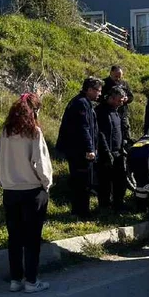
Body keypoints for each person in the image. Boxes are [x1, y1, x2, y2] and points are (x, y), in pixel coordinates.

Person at [0, 92, 52, 294]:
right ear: (34, 111)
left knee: (14, 237)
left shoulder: (5, 132)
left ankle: (15, 280)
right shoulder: (34, 132)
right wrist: (46, 184)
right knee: (32, 239)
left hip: (10, 191)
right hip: (32, 191)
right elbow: (41, 163)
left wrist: (2, 181)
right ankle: (32, 281)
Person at [56, 77, 102, 217]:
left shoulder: (84, 102)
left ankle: (81, 210)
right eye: (98, 91)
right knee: (82, 182)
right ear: (89, 89)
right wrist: (89, 149)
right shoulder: (81, 104)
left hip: (77, 149)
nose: (99, 94)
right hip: (79, 151)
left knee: (82, 181)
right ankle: (80, 212)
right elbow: (84, 128)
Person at [95, 86, 129, 213]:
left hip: (118, 152)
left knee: (120, 181)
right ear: (112, 98)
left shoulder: (117, 111)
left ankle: (118, 204)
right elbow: (100, 133)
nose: (122, 103)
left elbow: (119, 130)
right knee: (105, 182)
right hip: (106, 152)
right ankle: (104, 206)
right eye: (119, 100)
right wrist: (106, 152)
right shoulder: (101, 111)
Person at [102, 65, 134, 143]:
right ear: (111, 73)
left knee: (125, 132)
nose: (118, 78)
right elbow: (100, 98)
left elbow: (131, 96)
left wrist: (126, 99)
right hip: (108, 113)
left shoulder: (124, 83)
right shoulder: (104, 83)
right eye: (116, 76)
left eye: (120, 76)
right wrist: (110, 100)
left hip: (122, 112)